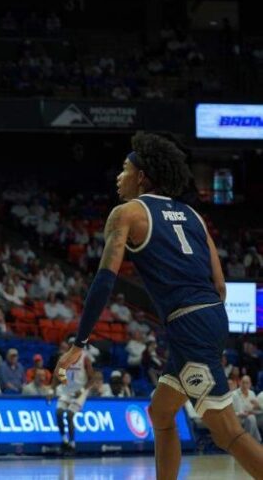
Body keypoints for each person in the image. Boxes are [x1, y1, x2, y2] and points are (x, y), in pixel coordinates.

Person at [55, 133, 263, 477]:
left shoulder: (126, 213)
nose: (118, 177)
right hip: (210, 317)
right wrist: (207, 329)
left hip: (189, 326)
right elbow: (221, 285)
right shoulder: (193, 216)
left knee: (227, 431)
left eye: (124, 169)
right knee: (161, 412)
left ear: (141, 176)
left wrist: (80, 342)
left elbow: (105, 280)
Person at [56, 338, 94, 454]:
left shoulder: (85, 358)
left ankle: (72, 443)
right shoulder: (63, 358)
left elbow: (92, 379)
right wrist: (53, 389)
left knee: (69, 415)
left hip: (80, 392)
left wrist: (82, 389)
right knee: (58, 413)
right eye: (70, 345)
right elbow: (57, 374)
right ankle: (64, 440)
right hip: (67, 390)